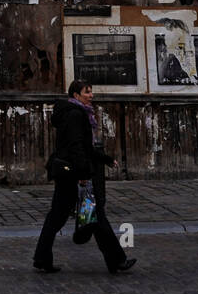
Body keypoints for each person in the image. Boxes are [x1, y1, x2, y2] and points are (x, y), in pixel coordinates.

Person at [32, 79, 137, 275]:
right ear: (76, 95)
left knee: (67, 217)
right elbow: (76, 147)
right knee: (90, 216)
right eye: (87, 92)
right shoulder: (75, 115)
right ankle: (116, 260)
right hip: (73, 174)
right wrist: (83, 175)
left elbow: (85, 147)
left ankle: (42, 257)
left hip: (69, 172)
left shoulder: (77, 113)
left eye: (91, 91)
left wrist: (105, 159)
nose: (91, 95)